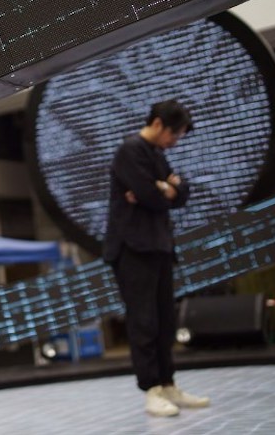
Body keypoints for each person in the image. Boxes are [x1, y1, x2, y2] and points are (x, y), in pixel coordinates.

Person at [103, 99, 210, 417]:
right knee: (143, 321)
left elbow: (182, 192)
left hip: (160, 246)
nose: (174, 142)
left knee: (165, 320)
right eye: (174, 135)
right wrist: (162, 190)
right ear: (159, 123)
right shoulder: (130, 151)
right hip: (133, 248)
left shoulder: (157, 155)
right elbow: (150, 194)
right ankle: (151, 390)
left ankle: (168, 384)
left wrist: (164, 190)